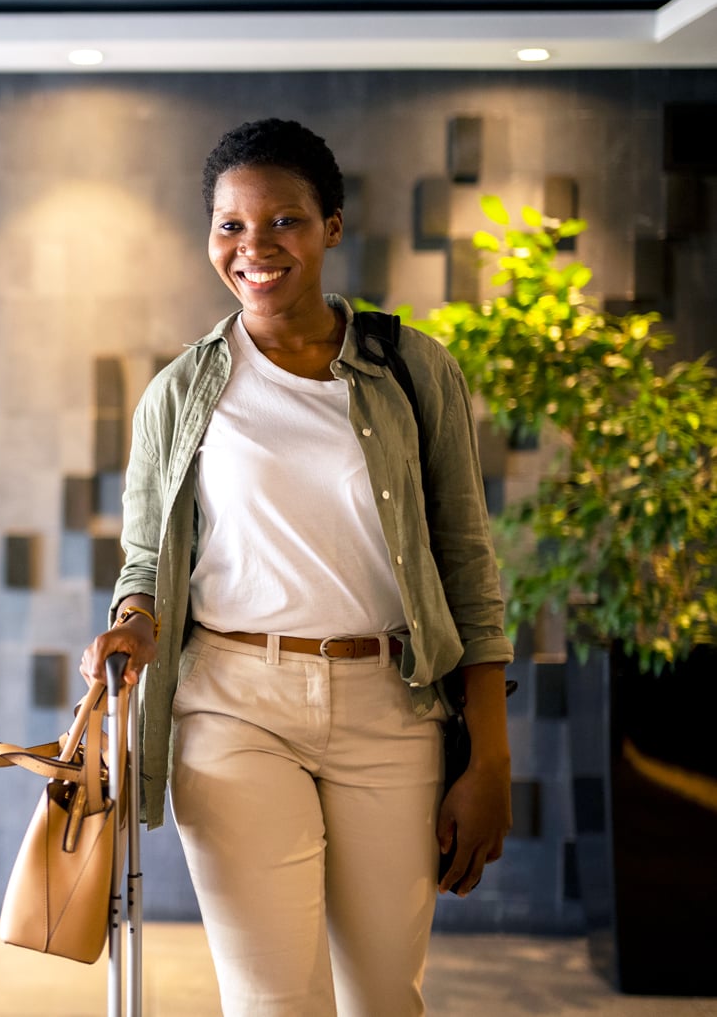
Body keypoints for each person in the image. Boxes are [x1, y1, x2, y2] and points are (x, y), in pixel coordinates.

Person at [79, 118, 514, 1016]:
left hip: (391, 706)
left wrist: (493, 758)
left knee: (384, 997)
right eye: (230, 226)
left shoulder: (411, 368)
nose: (255, 248)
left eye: (284, 222)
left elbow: (467, 557)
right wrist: (132, 615)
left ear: (332, 227)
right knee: (276, 1002)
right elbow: (148, 554)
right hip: (233, 704)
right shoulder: (180, 389)